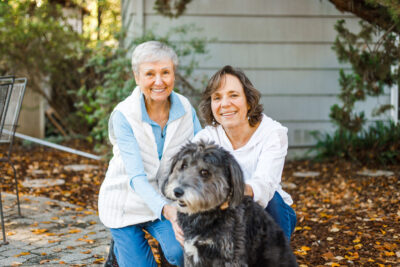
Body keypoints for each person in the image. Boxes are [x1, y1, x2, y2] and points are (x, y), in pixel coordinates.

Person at [98, 41, 202, 267]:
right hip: (125, 202)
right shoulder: (124, 115)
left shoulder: (185, 108)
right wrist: (170, 212)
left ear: (173, 74)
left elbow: (202, 153)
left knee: (182, 252)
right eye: (150, 74)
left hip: (165, 200)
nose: (159, 81)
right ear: (137, 77)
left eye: (165, 72)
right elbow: (136, 178)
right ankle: (119, 252)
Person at [193, 65, 296, 239]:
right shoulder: (205, 139)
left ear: (249, 101)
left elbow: (265, 183)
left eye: (233, 95)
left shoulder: (272, 133)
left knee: (273, 199)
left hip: (269, 211)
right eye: (217, 98)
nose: (225, 104)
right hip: (224, 213)